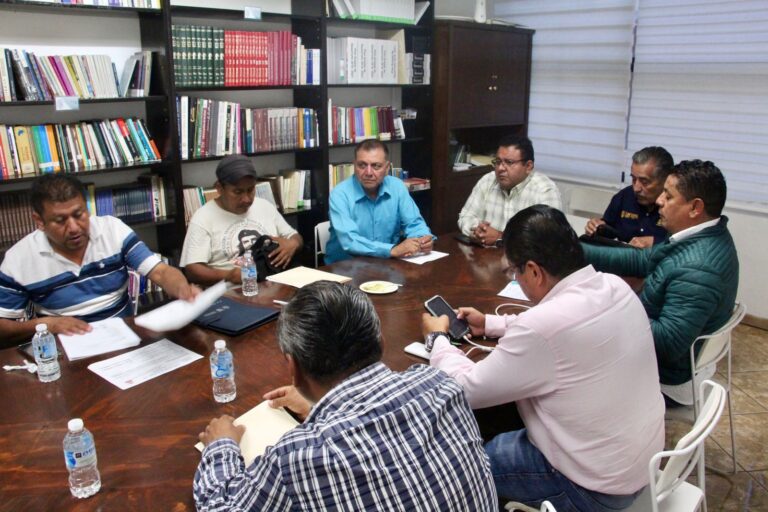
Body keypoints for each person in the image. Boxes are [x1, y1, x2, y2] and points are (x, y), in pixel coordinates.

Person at [423, 205, 664, 511]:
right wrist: (490, 323)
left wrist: (437, 339)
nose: (516, 277)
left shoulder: (541, 327)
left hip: (592, 489)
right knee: (502, 431)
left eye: (515, 271)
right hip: (642, 466)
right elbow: (562, 327)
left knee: (465, 461)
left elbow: (465, 390)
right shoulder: (613, 285)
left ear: (534, 271)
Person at [194, 281, 497, 511]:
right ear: (380, 341)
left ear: (293, 369)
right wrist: (317, 407)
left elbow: (220, 506)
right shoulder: (441, 384)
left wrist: (221, 446)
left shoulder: (297, 457)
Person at [583, 160, 739, 406]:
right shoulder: (701, 235)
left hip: (665, 378)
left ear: (695, 207)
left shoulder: (698, 268)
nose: (659, 201)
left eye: (668, 196)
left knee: (568, 353)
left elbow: (667, 344)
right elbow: (641, 259)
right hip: (667, 358)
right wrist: (572, 250)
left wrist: (611, 304)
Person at [0, 174, 198, 345]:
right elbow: (3, 327)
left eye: (79, 214)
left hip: (124, 338)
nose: (74, 227)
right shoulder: (19, 259)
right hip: (66, 350)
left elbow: (161, 272)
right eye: (60, 220)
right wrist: (45, 325)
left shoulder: (112, 230)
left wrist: (181, 288)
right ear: (39, 221)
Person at [180, 155, 303, 286]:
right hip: (232, 290)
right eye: (238, 192)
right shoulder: (203, 218)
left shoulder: (265, 206)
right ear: (219, 188)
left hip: (275, 284)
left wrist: (293, 244)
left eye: (250, 190)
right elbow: (192, 271)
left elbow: (295, 237)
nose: (246, 199)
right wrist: (228, 276)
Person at [324, 140, 434, 263]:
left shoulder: (397, 187)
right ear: (354, 165)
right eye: (362, 165)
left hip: (387, 264)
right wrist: (392, 250)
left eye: (376, 166)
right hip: (345, 267)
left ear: (387, 168)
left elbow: (414, 223)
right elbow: (350, 241)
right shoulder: (340, 194)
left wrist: (422, 240)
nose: (368, 173)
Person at [458, 135, 562, 246]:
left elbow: (549, 238)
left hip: (523, 256)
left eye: (509, 162)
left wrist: (500, 237)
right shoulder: (487, 181)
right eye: (498, 161)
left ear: (528, 166)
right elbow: (465, 216)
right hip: (485, 254)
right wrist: (477, 231)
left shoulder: (545, 190)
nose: (500, 168)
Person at [585, 146, 673, 248]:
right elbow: (609, 229)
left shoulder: (676, 205)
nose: (636, 188)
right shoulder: (623, 197)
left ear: (665, 180)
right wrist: (597, 227)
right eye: (634, 179)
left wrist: (657, 242)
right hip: (623, 255)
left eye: (644, 182)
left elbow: (684, 242)